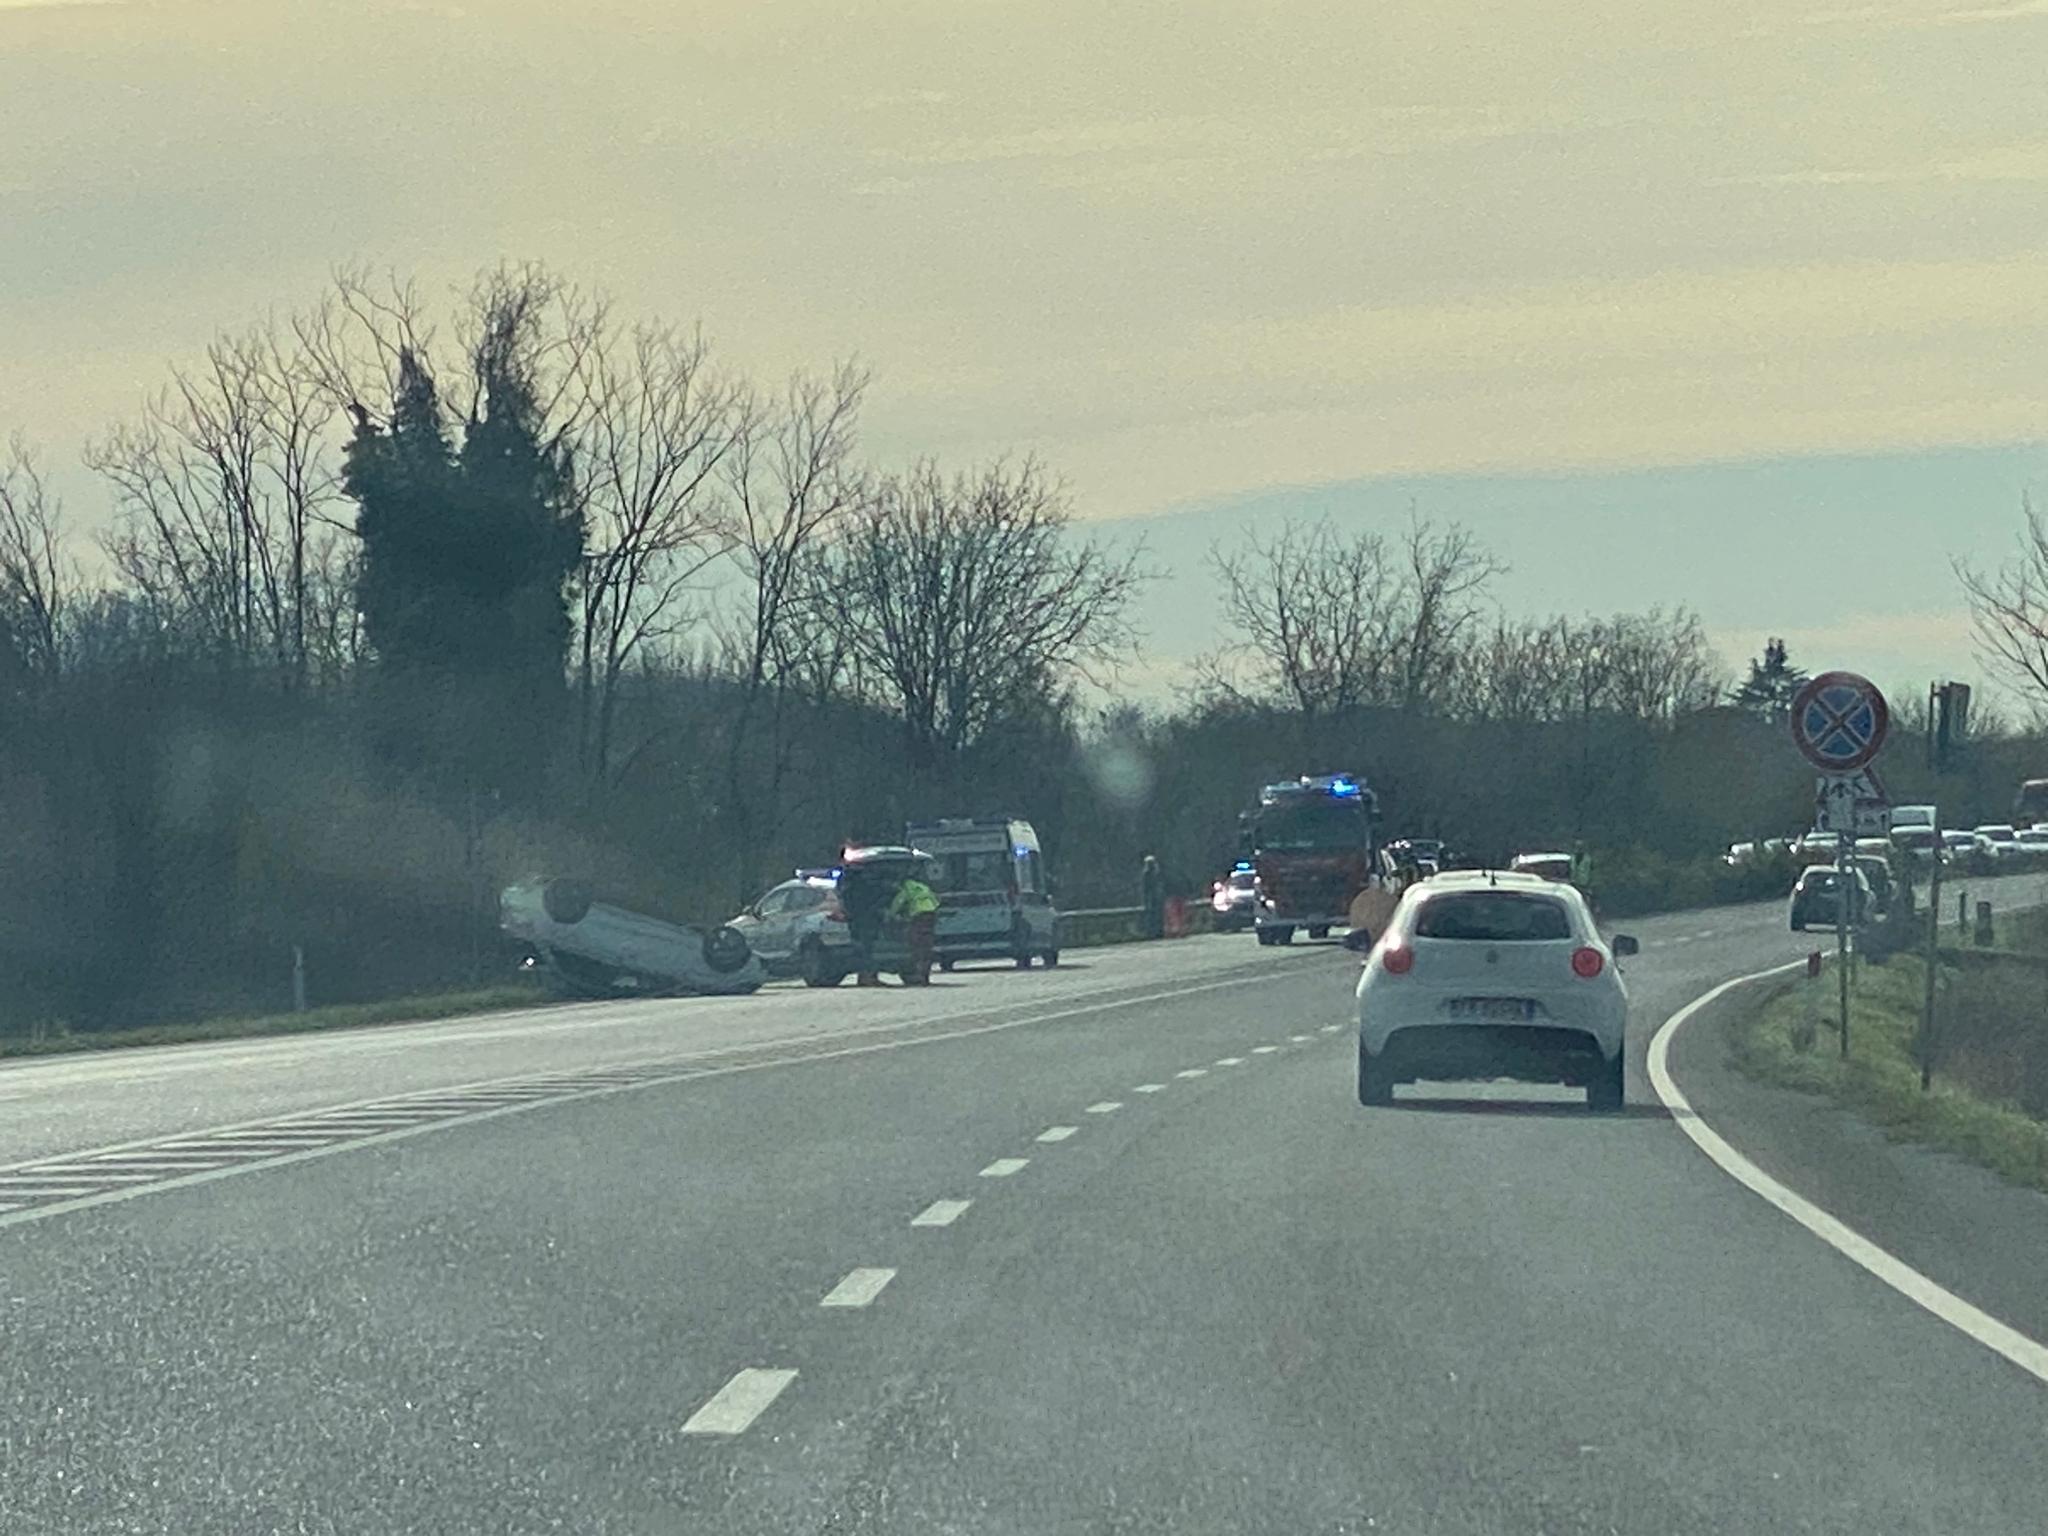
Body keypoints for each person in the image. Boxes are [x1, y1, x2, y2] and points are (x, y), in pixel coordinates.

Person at [838, 852, 892, 986]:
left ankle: (866, 976)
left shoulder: (849, 886)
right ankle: (867, 977)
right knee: (867, 949)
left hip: (858, 920)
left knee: (864, 949)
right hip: (865, 920)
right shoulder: (863, 886)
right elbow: (872, 900)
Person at [889, 869, 942, 985]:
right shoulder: (922, 886)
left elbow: (899, 902)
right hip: (931, 915)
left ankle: (918, 974)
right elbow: (935, 901)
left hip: (919, 917)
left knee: (915, 945)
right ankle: (925, 975)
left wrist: (891, 914)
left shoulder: (906, 888)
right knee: (926, 945)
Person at [1140, 854, 1165, 940]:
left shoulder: (1156, 873)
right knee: (1152, 916)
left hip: (1156, 897)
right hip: (1151, 898)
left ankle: (1159, 932)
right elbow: (1146, 888)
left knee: (1158, 916)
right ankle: (1152, 933)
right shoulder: (1147, 874)